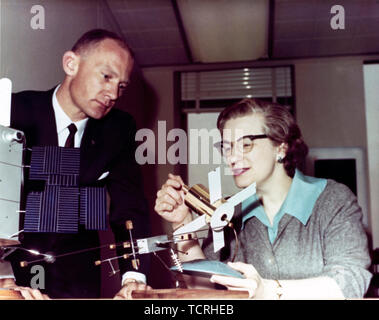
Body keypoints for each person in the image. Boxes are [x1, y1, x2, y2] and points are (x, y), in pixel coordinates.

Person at [155, 98, 372, 299]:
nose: (231, 157)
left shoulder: (332, 200)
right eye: (227, 147)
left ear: (281, 146)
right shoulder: (230, 212)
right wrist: (183, 224)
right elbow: (205, 291)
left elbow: (350, 281)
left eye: (246, 144)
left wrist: (267, 290)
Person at [0, 29, 151, 299]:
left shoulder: (119, 129)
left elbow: (129, 207)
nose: (114, 93)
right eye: (106, 76)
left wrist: (133, 276)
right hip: (11, 273)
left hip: (79, 277)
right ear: (71, 64)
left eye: (122, 86)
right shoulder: (12, 112)